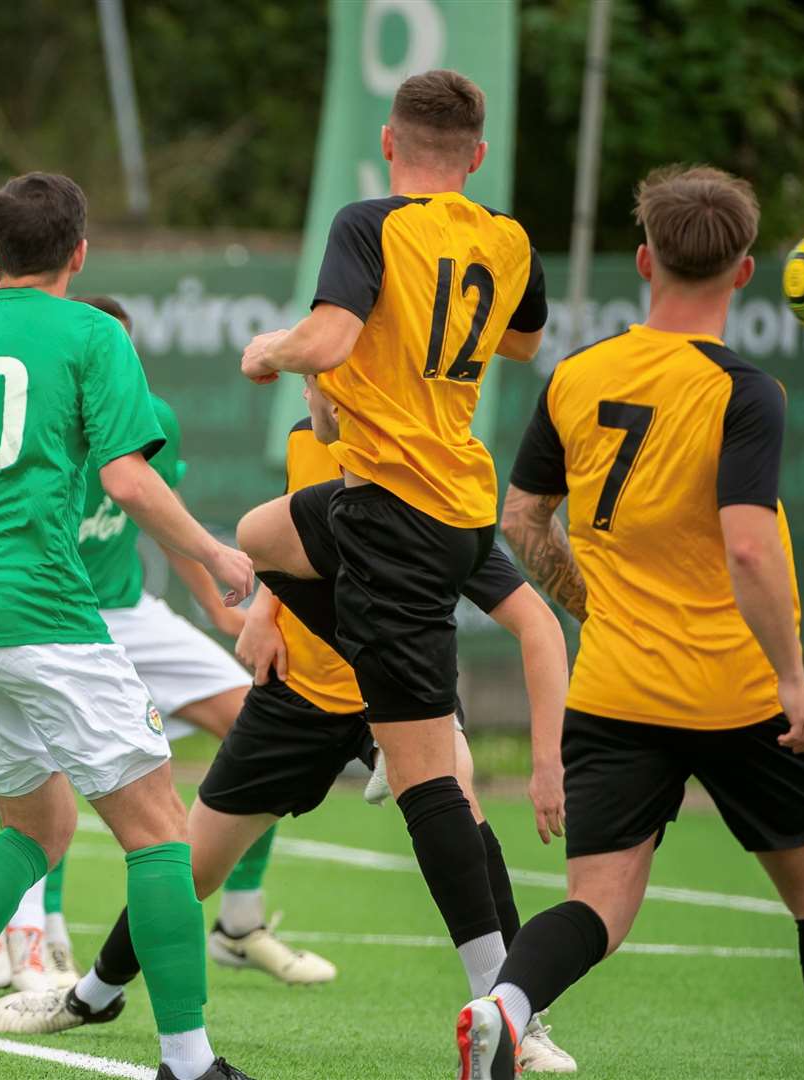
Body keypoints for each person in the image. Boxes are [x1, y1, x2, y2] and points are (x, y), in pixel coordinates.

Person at [0, 393, 578, 1074]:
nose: (309, 391)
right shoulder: (307, 440)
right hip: (296, 692)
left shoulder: (425, 482)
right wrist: (266, 605)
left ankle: (512, 1017)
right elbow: (300, 536)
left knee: (457, 801)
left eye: (321, 378)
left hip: (397, 691)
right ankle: (93, 996)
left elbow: (530, 619)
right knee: (190, 862)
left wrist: (544, 760)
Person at [454, 165, 804, 1080]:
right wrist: (793, 676)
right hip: (737, 693)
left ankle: (507, 1004)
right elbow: (748, 547)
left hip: (616, 688)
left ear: (644, 261)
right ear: (744, 273)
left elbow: (523, 521)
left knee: (600, 905)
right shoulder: (746, 391)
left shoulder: (578, 375)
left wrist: (591, 605)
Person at [0, 172, 256, 1080]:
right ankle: (189, 1061)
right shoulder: (93, 332)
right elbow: (126, 481)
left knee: (34, 826)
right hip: (42, 612)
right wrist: (219, 553)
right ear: (79, 255)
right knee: (160, 832)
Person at [236, 68, 549, 1021]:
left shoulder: (370, 222)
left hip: (398, 515)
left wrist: (269, 350)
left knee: (428, 788)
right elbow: (525, 344)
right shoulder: (507, 237)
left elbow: (327, 340)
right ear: (478, 157)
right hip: (449, 499)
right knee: (257, 536)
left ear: (388, 142)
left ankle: (504, 1006)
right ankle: (398, 713)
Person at [0, 295, 327, 996]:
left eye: (121, 352)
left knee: (257, 717)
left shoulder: (152, 419)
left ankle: (239, 923)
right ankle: (44, 934)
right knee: (46, 768)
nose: (111, 365)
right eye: (101, 351)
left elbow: (159, 511)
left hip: (126, 609)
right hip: (48, 614)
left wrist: (227, 609)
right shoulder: (38, 413)